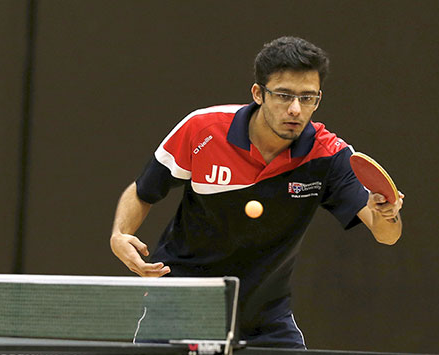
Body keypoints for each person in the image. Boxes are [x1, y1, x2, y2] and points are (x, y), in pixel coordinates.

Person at [110, 36, 404, 349]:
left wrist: (388, 213)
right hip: (179, 305)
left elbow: (386, 233)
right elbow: (143, 191)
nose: (295, 109)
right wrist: (120, 233)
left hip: (263, 318)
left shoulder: (328, 156)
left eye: (308, 98)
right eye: (284, 95)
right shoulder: (203, 130)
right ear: (258, 94)